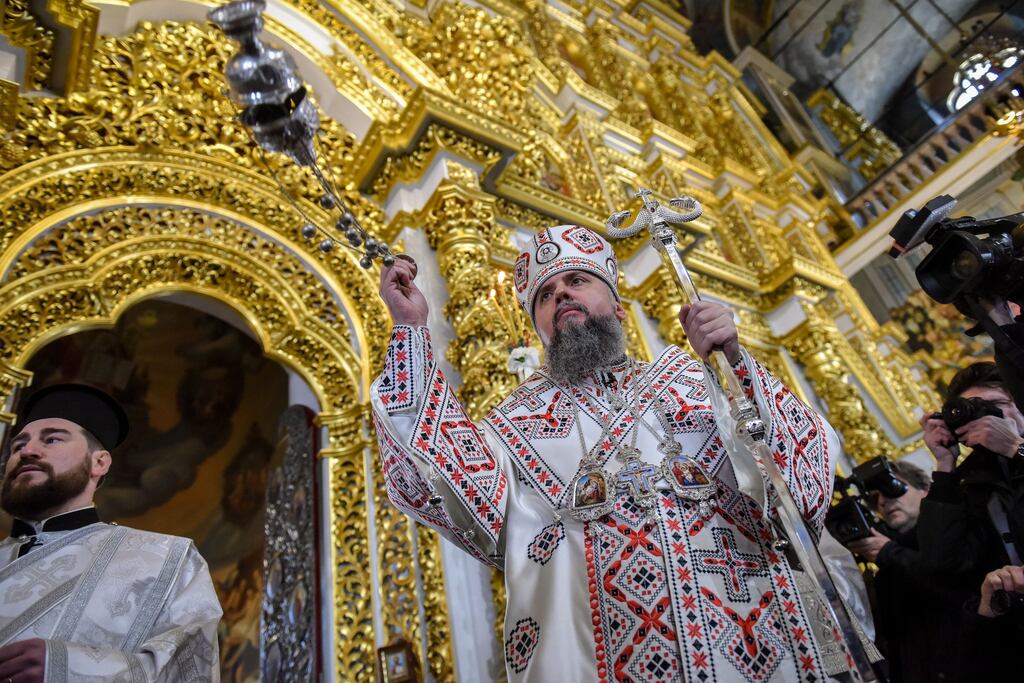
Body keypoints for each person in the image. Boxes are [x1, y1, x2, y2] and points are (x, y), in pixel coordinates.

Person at [372, 227, 842, 681]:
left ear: (618, 305)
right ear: (538, 325)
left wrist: (736, 364)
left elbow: (803, 488)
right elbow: (427, 481)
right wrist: (411, 330)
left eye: (577, 280)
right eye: (545, 294)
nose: (561, 295)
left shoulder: (698, 385)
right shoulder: (512, 427)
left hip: (759, 650)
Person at [0, 384, 222, 682]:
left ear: (99, 463)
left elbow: (191, 671)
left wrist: (67, 667)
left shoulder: (166, 559)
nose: (27, 451)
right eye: (17, 446)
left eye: (52, 439)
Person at [917, 361, 1024, 681]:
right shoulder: (969, 483)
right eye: (976, 409)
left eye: (996, 406)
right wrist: (945, 466)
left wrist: (1016, 449)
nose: (988, 417)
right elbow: (941, 563)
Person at [846, 461, 963, 682]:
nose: (883, 501)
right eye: (875, 497)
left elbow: (951, 581)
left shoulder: (954, 530)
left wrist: (889, 553)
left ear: (925, 490)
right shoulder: (886, 566)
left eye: (892, 487)